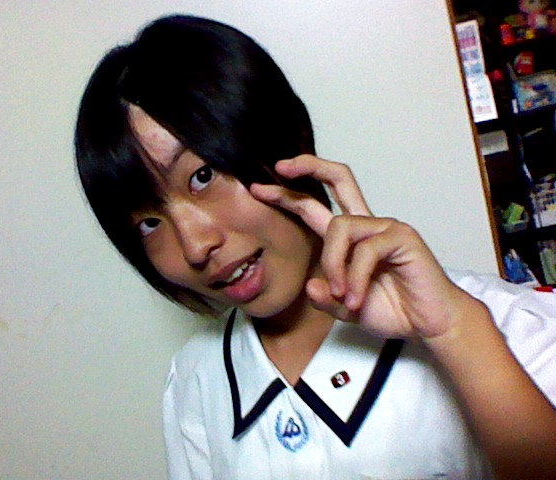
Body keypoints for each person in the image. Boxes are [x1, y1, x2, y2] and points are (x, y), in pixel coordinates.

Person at [75, 14, 556, 480]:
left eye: (202, 176)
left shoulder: (512, 325)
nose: (195, 246)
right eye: (149, 222)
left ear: (286, 139)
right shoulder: (197, 379)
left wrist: (455, 332)